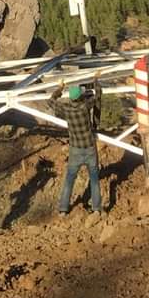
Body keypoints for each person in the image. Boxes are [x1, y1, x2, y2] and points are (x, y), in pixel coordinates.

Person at [50, 78, 102, 217]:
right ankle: (96, 209)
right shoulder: (85, 107)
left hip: (75, 150)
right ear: (80, 97)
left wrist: (60, 88)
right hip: (89, 148)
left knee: (69, 180)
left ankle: (63, 209)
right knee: (95, 179)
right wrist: (96, 80)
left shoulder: (66, 110)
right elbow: (98, 95)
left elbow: (51, 101)